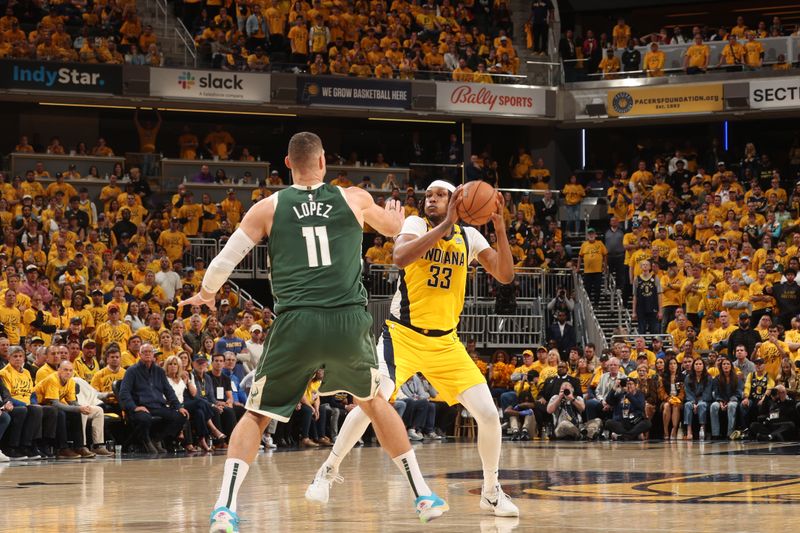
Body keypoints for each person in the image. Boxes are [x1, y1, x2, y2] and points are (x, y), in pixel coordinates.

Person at [179, 132, 448, 531]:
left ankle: (224, 509)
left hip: (296, 322)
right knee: (374, 402)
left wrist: (204, 294)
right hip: (346, 320)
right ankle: (423, 495)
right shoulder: (353, 197)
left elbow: (223, 263)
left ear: (287, 164)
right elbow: (394, 230)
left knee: (256, 416)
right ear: (323, 163)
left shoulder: (266, 208)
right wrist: (394, 212)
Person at [306, 178, 518, 517]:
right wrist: (446, 223)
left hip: (446, 343)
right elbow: (401, 257)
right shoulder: (415, 224)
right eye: (428, 195)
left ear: (458, 201)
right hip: (401, 336)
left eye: (439, 195)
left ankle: (491, 491)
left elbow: (505, 275)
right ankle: (328, 471)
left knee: (490, 416)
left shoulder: (469, 237)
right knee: (372, 402)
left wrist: (500, 227)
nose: (430, 199)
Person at [118, 343, 189, 454]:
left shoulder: (160, 371)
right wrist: (134, 407)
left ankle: (156, 439)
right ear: (139, 355)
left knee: (181, 416)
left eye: (150, 352)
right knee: (144, 419)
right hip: (141, 407)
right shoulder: (132, 371)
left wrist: (178, 406)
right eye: (144, 352)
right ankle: (144, 441)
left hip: (157, 406)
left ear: (153, 355)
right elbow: (124, 392)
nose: (147, 354)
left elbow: (169, 391)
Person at [710, 358, 742, 440]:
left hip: (733, 400)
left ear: (731, 366)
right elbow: (715, 393)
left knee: (731, 405)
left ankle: (730, 433)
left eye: (728, 364)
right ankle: (715, 434)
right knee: (713, 406)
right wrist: (720, 402)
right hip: (721, 400)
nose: (726, 366)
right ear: (721, 366)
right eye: (724, 364)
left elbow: (738, 393)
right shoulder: (717, 378)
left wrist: (730, 401)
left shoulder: (737, 378)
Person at [577, 227, 606, 302]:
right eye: (589, 233)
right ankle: (588, 303)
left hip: (598, 271)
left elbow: (605, 255)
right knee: (588, 289)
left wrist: (604, 267)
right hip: (587, 271)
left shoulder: (600, 243)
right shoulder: (584, 244)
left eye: (592, 233)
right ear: (587, 235)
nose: (591, 235)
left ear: (595, 235)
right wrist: (578, 268)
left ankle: (596, 303)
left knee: (597, 288)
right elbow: (580, 256)